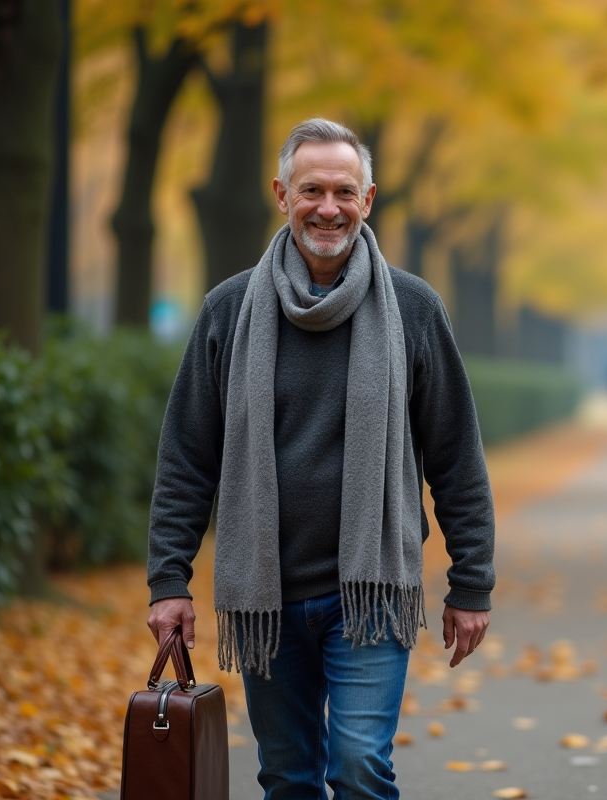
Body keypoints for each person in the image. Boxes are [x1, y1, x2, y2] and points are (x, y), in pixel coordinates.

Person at [145, 117, 495, 799]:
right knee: (287, 779)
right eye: (312, 190)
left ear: (368, 201)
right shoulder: (229, 309)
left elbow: (455, 455)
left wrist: (472, 581)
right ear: (282, 194)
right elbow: (187, 457)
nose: (327, 207)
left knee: (360, 767)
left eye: (343, 191)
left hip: (368, 597)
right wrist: (169, 580)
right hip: (266, 596)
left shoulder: (415, 310)